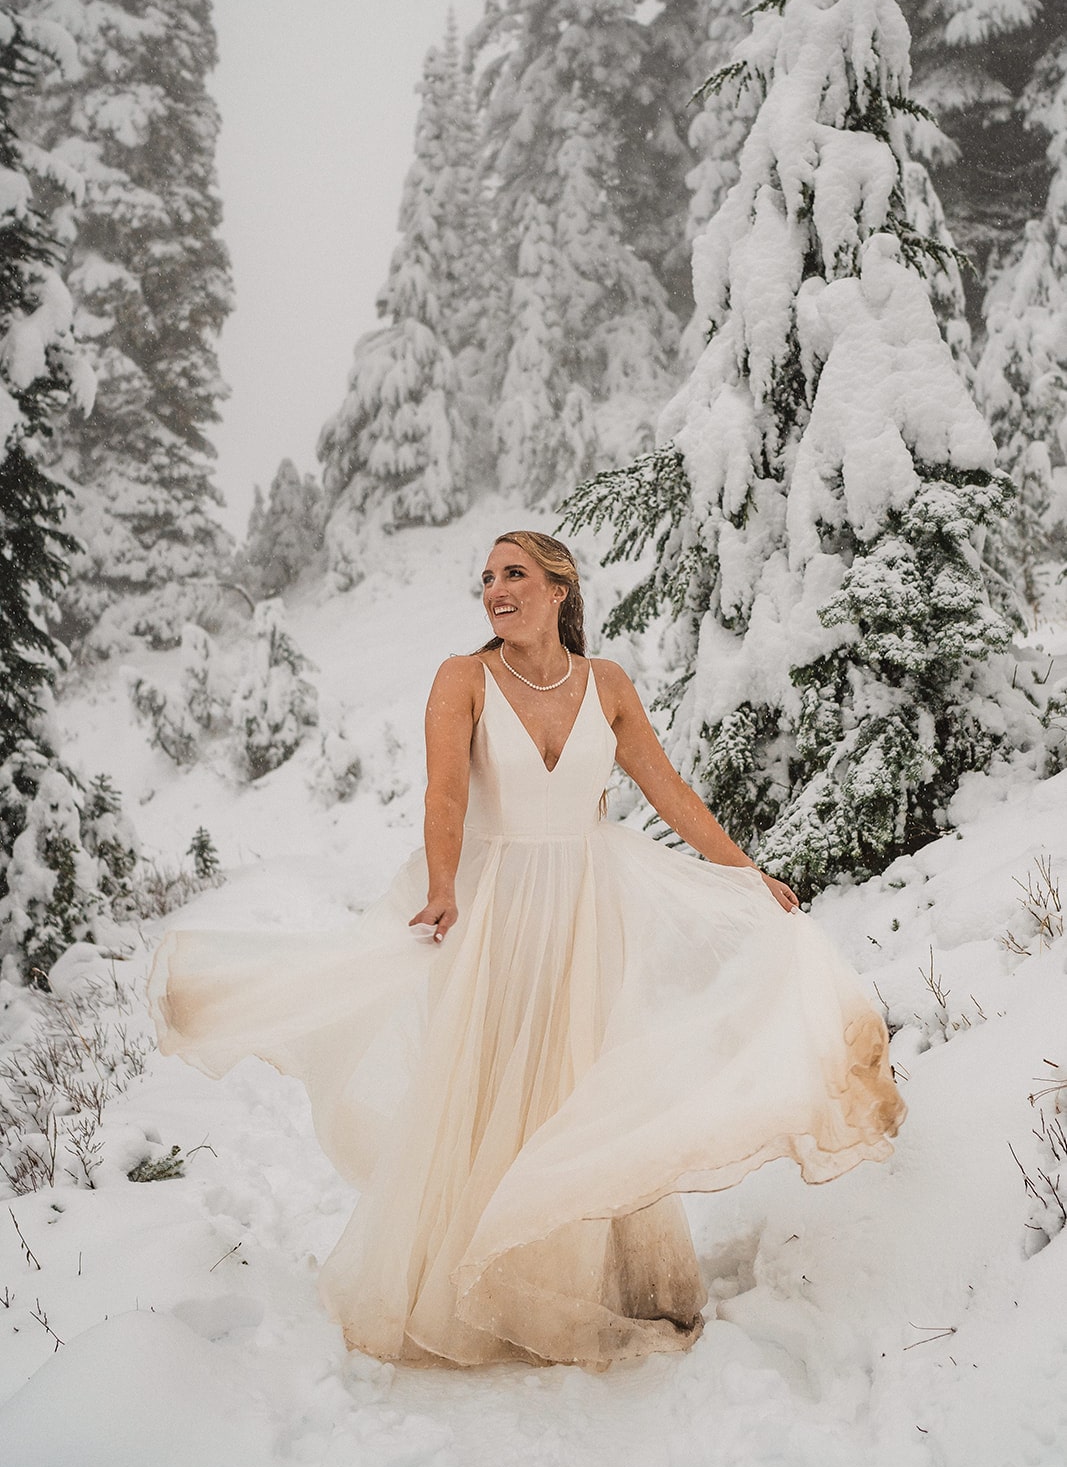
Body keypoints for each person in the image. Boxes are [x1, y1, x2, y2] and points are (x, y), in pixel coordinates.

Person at [149, 529, 905, 1370]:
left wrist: (745, 873)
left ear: (558, 588)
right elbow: (443, 792)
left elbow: (668, 790)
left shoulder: (606, 684)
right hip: (499, 903)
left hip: (588, 902)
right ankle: (476, 1286)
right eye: (486, 579)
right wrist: (443, 887)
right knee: (496, 1075)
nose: (496, 590)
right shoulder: (462, 678)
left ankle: (593, 1283)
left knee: (577, 1076)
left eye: (514, 575)